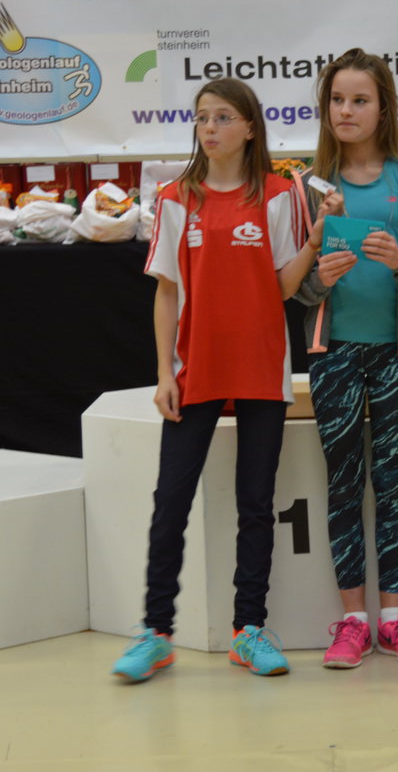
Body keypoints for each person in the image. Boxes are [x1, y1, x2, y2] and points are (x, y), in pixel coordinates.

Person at [111, 77, 325, 683]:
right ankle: (155, 633)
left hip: (261, 368)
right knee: (170, 502)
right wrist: (163, 373)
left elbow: (284, 287)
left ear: (250, 128)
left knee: (256, 504)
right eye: (203, 117)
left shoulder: (280, 194)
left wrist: (313, 243)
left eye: (223, 117)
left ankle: (248, 630)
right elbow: (166, 292)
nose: (210, 127)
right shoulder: (176, 197)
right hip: (195, 370)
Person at [291, 49, 398, 668]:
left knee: (391, 483)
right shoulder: (308, 186)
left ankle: (394, 619)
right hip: (332, 354)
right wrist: (320, 278)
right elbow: (294, 288)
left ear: (385, 108)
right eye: (336, 100)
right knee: (343, 483)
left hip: (397, 353)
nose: (346, 110)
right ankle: (353, 621)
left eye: (359, 100)